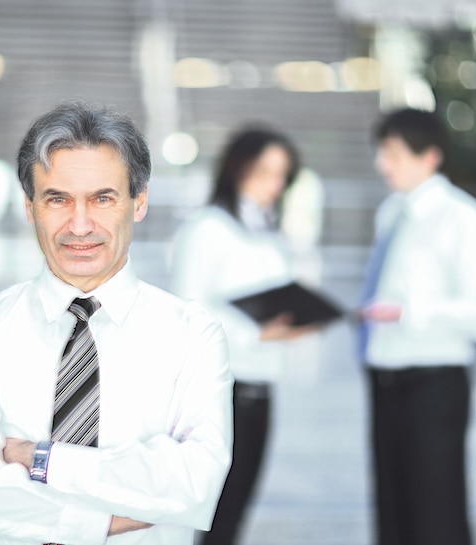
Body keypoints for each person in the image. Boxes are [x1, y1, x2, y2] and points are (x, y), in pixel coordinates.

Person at [0, 100, 233, 545]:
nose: (80, 225)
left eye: (102, 198)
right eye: (58, 199)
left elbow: (194, 485)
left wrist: (41, 460)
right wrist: (103, 524)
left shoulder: (193, 335)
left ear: (138, 202)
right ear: (30, 207)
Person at [358, 108, 476, 545]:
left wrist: (409, 311)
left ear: (431, 157)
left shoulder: (465, 220)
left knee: (436, 513)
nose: (383, 165)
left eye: (395, 154)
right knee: (393, 511)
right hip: (384, 379)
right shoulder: (391, 213)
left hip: (433, 385)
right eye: (382, 153)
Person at [170, 126, 317, 545]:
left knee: (236, 511)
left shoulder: (268, 233)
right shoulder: (206, 229)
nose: (274, 184)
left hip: (261, 387)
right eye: (265, 171)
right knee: (215, 514)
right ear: (238, 167)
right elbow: (190, 312)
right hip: (223, 391)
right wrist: (256, 333)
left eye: (281, 175)